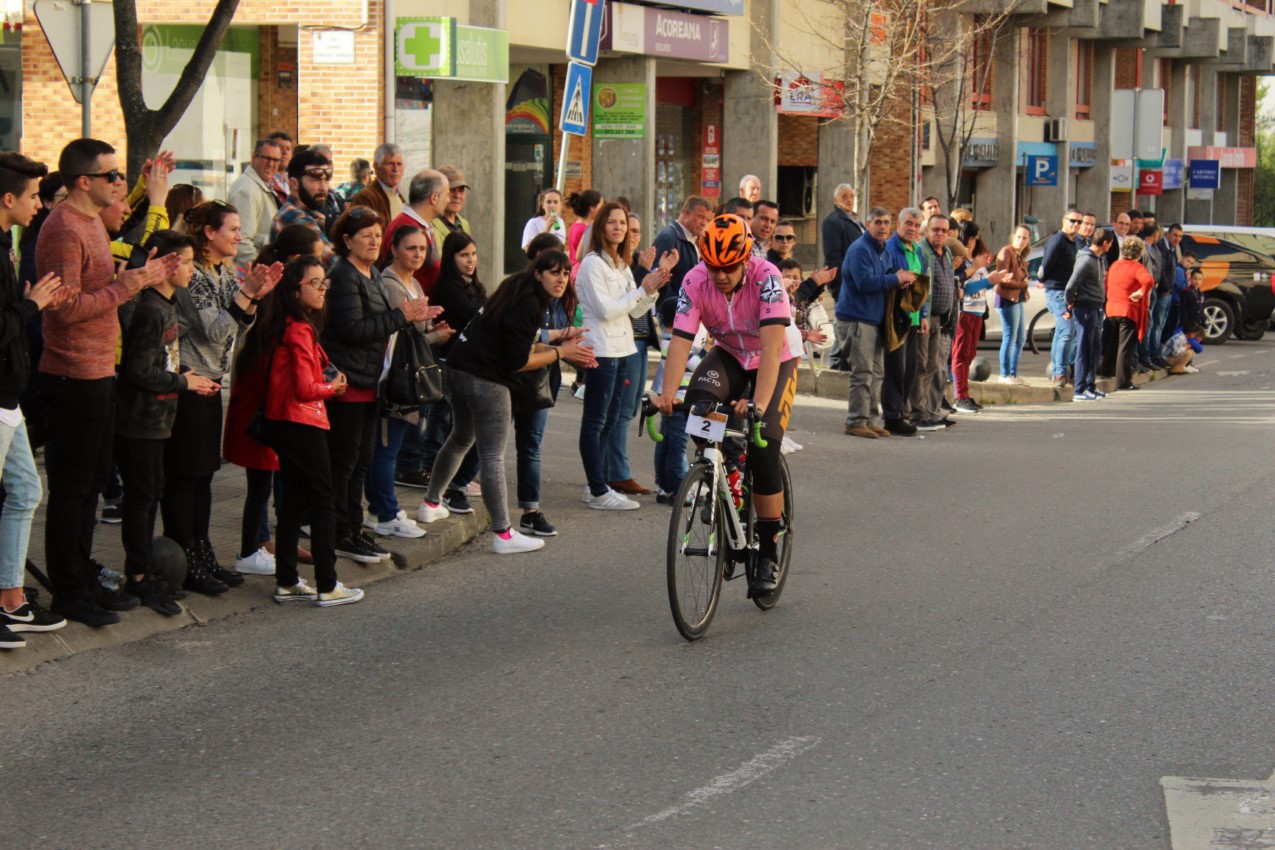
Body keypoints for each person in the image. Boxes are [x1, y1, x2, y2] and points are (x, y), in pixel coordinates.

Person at [37, 138, 179, 626]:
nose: (121, 183)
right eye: (112, 176)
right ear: (84, 182)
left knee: (93, 488)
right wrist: (128, 284)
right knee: (73, 490)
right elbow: (64, 307)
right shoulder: (63, 228)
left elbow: (92, 291)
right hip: (72, 373)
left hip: (100, 371)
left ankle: (80, 581)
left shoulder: (92, 221)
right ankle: (69, 593)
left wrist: (123, 278)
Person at [653, 213, 797, 597]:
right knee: (699, 403)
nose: (720, 275)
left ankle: (767, 551)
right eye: (714, 266)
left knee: (764, 441)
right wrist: (668, 393)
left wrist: (758, 403)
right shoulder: (695, 280)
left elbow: (770, 349)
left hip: (776, 358)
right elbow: (682, 340)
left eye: (729, 267)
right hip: (731, 353)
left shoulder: (767, 278)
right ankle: (722, 473)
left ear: (745, 258)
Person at [416, 250, 595, 554]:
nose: (561, 279)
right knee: (492, 455)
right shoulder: (528, 303)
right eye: (554, 272)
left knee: (460, 438)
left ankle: (431, 503)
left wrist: (558, 341)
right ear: (538, 273)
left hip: (459, 369)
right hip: (485, 379)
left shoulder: (516, 289)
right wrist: (562, 353)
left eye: (565, 273)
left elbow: (518, 340)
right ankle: (503, 534)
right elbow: (517, 361)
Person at [166, 201, 281, 595]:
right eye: (232, 228)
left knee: (204, 477)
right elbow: (216, 331)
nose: (239, 236)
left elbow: (241, 324)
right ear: (209, 233)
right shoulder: (193, 275)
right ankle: (183, 559)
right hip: (188, 384)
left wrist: (254, 296)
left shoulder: (224, 271)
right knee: (187, 476)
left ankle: (202, 552)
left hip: (213, 382)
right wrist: (247, 295)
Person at [116, 230, 222, 615]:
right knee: (141, 499)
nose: (193, 271)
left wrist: (191, 376)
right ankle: (139, 578)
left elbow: (164, 360)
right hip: (140, 422)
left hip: (161, 421)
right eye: (190, 262)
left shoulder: (169, 303)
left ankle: (145, 574)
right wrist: (183, 381)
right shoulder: (149, 309)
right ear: (168, 264)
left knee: (152, 494)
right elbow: (139, 370)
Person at [320, 207, 432, 564]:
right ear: (347, 240)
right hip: (349, 381)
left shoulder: (366, 274)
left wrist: (412, 318)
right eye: (364, 234)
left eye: (376, 233)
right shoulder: (343, 275)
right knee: (346, 462)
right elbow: (352, 330)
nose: (372, 240)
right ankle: (341, 531)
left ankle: (354, 528)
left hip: (371, 381)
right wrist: (402, 316)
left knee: (360, 462)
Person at [256, 256, 364, 606]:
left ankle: (287, 580)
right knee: (322, 500)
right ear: (295, 288)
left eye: (324, 283)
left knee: (294, 501)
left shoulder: (284, 323)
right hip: (300, 420)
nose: (321, 290)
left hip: (282, 421)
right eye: (314, 283)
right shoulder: (299, 329)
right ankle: (327, 584)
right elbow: (305, 388)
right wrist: (332, 389)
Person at [223, 225, 325, 578]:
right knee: (263, 481)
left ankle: (272, 543)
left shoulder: (287, 305)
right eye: (314, 269)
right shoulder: (274, 303)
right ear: (296, 263)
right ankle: (254, 547)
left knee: (277, 480)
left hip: (270, 401)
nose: (320, 276)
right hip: (264, 403)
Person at [0, 152, 70, 646]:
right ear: (8, 198)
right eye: (30, 197)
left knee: (25, 491)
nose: (36, 206)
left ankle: (11, 597)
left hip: (10, 397)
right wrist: (32, 305)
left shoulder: (8, 239)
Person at [576, 201, 672, 510]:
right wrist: (641, 289)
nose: (618, 228)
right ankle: (596, 487)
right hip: (602, 349)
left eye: (622, 223)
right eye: (612, 222)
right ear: (601, 227)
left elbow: (635, 310)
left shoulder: (621, 264)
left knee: (612, 419)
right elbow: (606, 310)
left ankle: (600, 484)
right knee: (595, 420)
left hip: (623, 348)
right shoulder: (593, 263)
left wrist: (652, 288)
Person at [364, 225, 447, 539]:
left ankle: (377, 509)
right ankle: (386, 512)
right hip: (395, 376)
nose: (417, 254)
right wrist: (433, 333)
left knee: (388, 447)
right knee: (386, 449)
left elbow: (418, 328)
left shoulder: (412, 282)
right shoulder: (391, 283)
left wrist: (430, 327)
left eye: (422, 249)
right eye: (411, 248)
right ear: (395, 248)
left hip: (408, 373)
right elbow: (404, 330)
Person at [407, 231, 485, 506]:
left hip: (468, 362)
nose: (470, 260)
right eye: (464, 255)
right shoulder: (449, 287)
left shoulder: (473, 285)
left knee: (457, 423)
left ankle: (454, 475)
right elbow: (474, 317)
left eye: (473, 254)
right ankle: (434, 469)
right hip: (446, 361)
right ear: (451, 258)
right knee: (443, 419)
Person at [834, 207, 906, 438]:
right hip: (856, 320)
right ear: (868, 224)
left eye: (886, 222)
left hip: (873, 320)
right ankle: (855, 421)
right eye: (877, 222)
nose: (883, 227)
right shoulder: (860, 249)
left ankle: (870, 419)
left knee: (877, 373)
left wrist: (898, 280)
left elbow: (886, 277)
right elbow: (865, 283)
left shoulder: (883, 250)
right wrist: (896, 278)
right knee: (862, 374)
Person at [879, 207, 927, 436]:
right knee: (895, 369)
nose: (912, 229)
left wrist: (924, 314)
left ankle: (900, 411)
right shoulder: (890, 248)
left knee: (910, 370)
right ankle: (892, 416)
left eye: (917, 225)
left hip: (914, 316)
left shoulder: (917, 250)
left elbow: (922, 284)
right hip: (896, 315)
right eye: (908, 223)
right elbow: (888, 276)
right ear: (898, 224)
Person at [950, 224, 1005, 413]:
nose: (974, 242)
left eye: (975, 239)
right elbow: (962, 288)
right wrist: (986, 281)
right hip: (965, 312)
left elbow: (980, 287)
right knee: (960, 355)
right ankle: (960, 395)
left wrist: (992, 280)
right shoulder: (962, 263)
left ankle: (964, 393)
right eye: (972, 238)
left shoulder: (975, 262)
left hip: (978, 312)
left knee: (969, 356)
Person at [913, 213, 957, 430]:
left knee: (933, 366)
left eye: (943, 230)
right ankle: (917, 413)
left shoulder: (946, 252)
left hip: (941, 318)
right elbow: (921, 287)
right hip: (925, 317)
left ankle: (931, 411)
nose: (939, 234)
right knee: (920, 366)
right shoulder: (921, 250)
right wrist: (923, 315)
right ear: (926, 230)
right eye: (935, 229)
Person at [1064, 228, 1115, 401]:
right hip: (1084, 307)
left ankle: (1090, 385)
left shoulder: (1100, 258)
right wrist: (1069, 305)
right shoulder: (1086, 259)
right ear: (1105, 243)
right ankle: (1079, 389)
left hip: (1096, 307)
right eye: (1111, 243)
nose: (1111, 246)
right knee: (1084, 348)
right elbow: (1071, 285)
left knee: (1094, 348)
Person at [379, 168, 447, 297]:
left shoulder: (423, 225)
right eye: (446, 194)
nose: (448, 201)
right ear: (434, 198)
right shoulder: (404, 226)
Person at [1101, 235, 1155, 391]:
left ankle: (1107, 371)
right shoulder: (1137, 268)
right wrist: (1141, 292)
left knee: (1113, 342)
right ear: (1139, 253)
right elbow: (1149, 281)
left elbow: (1107, 284)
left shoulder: (1114, 266)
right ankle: (1123, 381)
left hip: (1112, 308)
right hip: (1128, 309)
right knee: (1125, 347)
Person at [821, 184, 865, 369]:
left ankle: (842, 358)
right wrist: (840, 285)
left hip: (858, 282)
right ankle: (837, 360)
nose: (849, 199)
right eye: (844, 196)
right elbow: (833, 257)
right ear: (836, 200)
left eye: (851, 196)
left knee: (850, 322)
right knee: (843, 321)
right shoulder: (833, 222)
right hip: (845, 283)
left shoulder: (856, 221)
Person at [1041, 210, 1082, 385]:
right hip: (1056, 291)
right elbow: (1046, 264)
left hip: (1067, 292)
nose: (1076, 224)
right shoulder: (1058, 240)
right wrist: (1044, 280)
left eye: (1079, 222)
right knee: (1067, 331)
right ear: (1063, 220)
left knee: (1061, 332)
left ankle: (1059, 370)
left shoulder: (1074, 242)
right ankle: (1060, 372)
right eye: (1072, 221)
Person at [228, 138, 283, 266]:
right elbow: (241, 240)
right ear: (254, 157)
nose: (271, 164)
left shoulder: (260, 185)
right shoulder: (247, 190)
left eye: (276, 160)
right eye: (266, 158)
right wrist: (259, 270)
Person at [272, 147, 334, 259]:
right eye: (316, 179)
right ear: (294, 184)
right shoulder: (296, 218)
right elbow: (334, 264)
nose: (323, 187)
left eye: (326, 180)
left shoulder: (308, 214)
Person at [652, 195, 712, 311]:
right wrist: (679, 307)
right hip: (672, 316)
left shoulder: (694, 240)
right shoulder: (669, 238)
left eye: (708, 220)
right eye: (701, 217)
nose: (704, 223)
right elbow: (657, 280)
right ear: (686, 213)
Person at [994, 224, 1032, 385]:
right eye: (1019, 237)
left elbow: (1022, 279)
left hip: (1017, 299)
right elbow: (1003, 280)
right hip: (1006, 299)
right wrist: (1022, 285)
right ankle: (1004, 374)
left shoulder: (1019, 255)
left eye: (1024, 238)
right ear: (1013, 236)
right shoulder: (1006, 252)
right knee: (1010, 337)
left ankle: (1013, 374)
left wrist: (1025, 289)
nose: (1021, 241)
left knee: (1020, 338)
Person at [347, 143, 406, 225]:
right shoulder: (365, 198)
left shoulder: (401, 197)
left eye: (399, 164)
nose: (396, 169)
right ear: (376, 166)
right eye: (390, 164)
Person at [565, 188, 603, 280]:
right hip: (583, 273)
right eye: (600, 207)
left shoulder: (575, 225)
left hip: (575, 271)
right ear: (592, 208)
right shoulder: (586, 229)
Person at [432, 165, 472, 248]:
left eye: (461, 190)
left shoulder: (464, 224)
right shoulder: (429, 225)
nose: (457, 195)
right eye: (451, 190)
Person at [266, 131, 293, 205]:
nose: (285, 152)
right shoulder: (265, 182)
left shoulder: (292, 183)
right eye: (280, 148)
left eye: (288, 149)